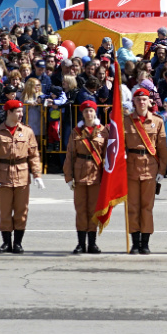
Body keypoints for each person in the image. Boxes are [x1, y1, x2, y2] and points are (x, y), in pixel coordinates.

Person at [0, 97, 44, 253]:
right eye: (17, 111)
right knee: (4, 211)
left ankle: (18, 243)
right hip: (3, 176)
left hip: (22, 175)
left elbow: (34, 155)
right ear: (9, 113)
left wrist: (37, 175)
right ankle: (6, 243)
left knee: (21, 211)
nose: (21, 114)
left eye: (21, 111)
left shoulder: (27, 131)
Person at [124, 87, 166, 254]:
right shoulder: (125, 121)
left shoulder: (158, 121)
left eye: (144, 99)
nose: (141, 102)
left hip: (150, 168)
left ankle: (145, 242)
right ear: (133, 102)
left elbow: (162, 149)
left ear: (150, 102)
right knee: (133, 207)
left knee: (147, 207)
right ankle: (135, 242)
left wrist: (162, 172)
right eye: (138, 99)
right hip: (131, 168)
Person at [63, 99, 106, 254]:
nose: (89, 114)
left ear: (95, 112)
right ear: (82, 113)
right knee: (81, 210)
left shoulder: (103, 131)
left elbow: (108, 155)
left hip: (96, 175)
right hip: (80, 175)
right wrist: (69, 177)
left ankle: (92, 243)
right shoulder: (76, 132)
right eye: (86, 111)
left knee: (93, 210)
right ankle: (81, 243)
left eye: (91, 111)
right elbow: (70, 155)